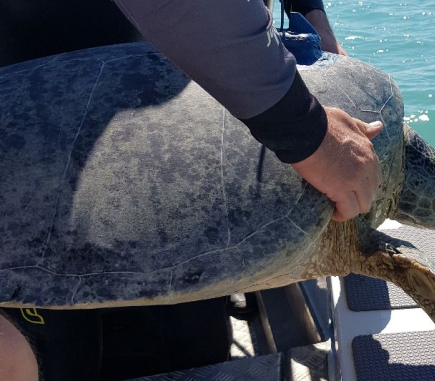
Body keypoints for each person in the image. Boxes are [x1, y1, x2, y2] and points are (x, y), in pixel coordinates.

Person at [0, 1, 382, 380]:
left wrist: (312, 14)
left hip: (178, 110)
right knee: (55, 348)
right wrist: (307, 129)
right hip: (25, 108)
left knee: (193, 339)